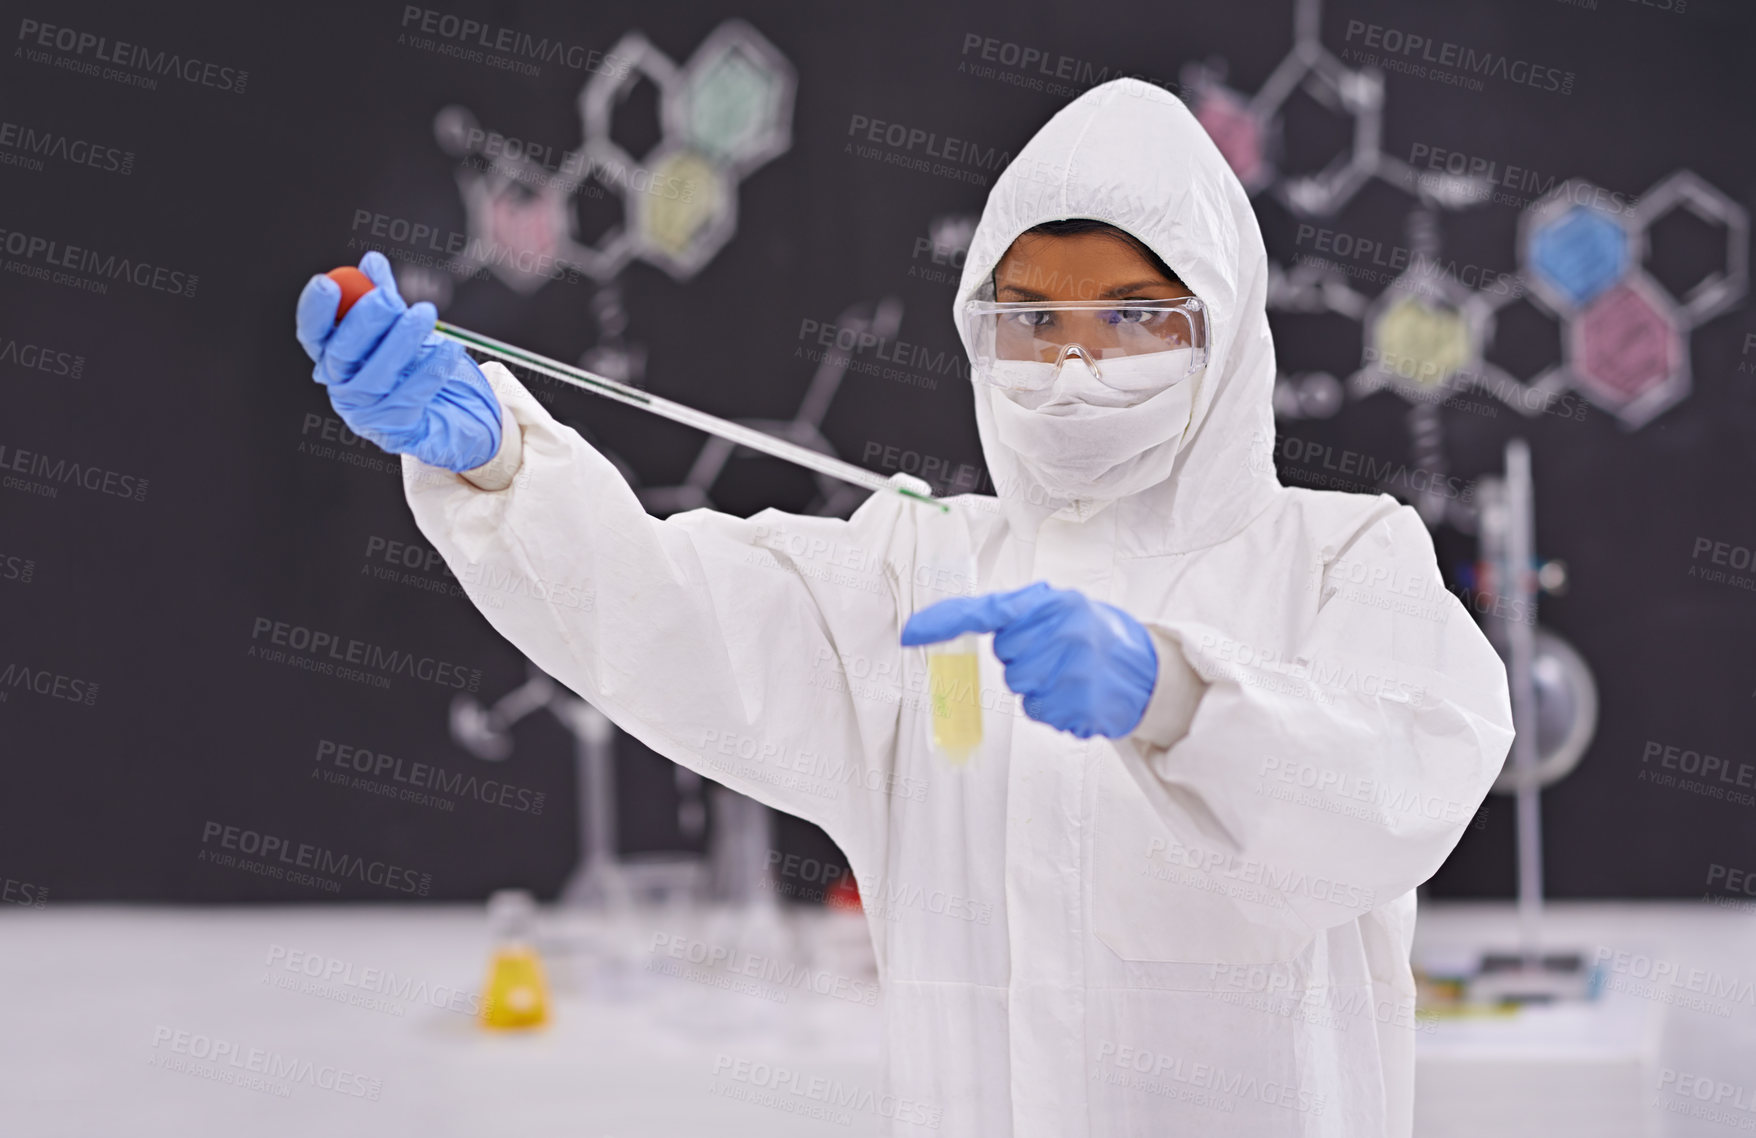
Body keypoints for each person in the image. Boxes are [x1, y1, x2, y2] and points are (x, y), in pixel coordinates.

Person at [295, 77, 1514, 1138]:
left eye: (1135, 315)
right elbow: (668, 614)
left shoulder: (1345, 557)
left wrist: (1176, 696)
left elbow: (1405, 778)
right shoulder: (920, 575)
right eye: (1030, 320)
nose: (1075, 365)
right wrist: (502, 468)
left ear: (1225, 327)